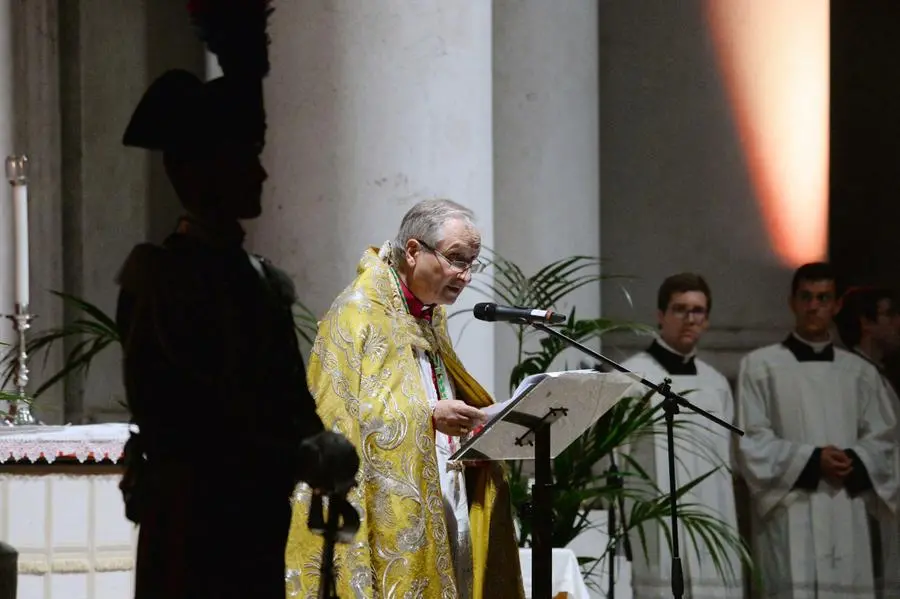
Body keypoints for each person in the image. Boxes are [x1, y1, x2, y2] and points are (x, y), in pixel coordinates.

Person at [116, 69, 358, 599]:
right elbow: (189, 419)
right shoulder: (161, 280)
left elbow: (287, 396)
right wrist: (295, 454)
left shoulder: (262, 280)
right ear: (198, 171)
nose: (263, 172)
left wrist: (322, 441)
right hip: (193, 529)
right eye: (245, 157)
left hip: (254, 525)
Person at [284, 199, 524, 598]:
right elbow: (338, 423)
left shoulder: (427, 315)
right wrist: (429, 415)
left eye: (472, 262)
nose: (465, 276)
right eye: (456, 259)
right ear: (413, 251)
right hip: (389, 506)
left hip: (445, 489)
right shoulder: (357, 313)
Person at [736, 262, 900, 598]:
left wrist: (851, 459)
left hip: (845, 508)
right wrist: (812, 460)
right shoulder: (760, 366)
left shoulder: (859, 373)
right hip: (790, 510)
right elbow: (751, 441)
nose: (814, 307)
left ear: (837, 305)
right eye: (806, 297)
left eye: (823, 298)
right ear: (792, 302)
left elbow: (885, 439)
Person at [621, 273, 744, 598]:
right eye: (680, 309)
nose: (690, 319)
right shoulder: (633, 376)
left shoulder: (716, 383)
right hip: (657, 520)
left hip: (711, 514)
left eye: (698, 311)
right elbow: (616, 460)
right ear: (661, 316)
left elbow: (728, 461)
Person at [836, 288, 900, 597]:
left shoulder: (876, 376)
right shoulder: (854, 378)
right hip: (867, 509)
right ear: (866, 323)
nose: (897, 322)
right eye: (888, 314)